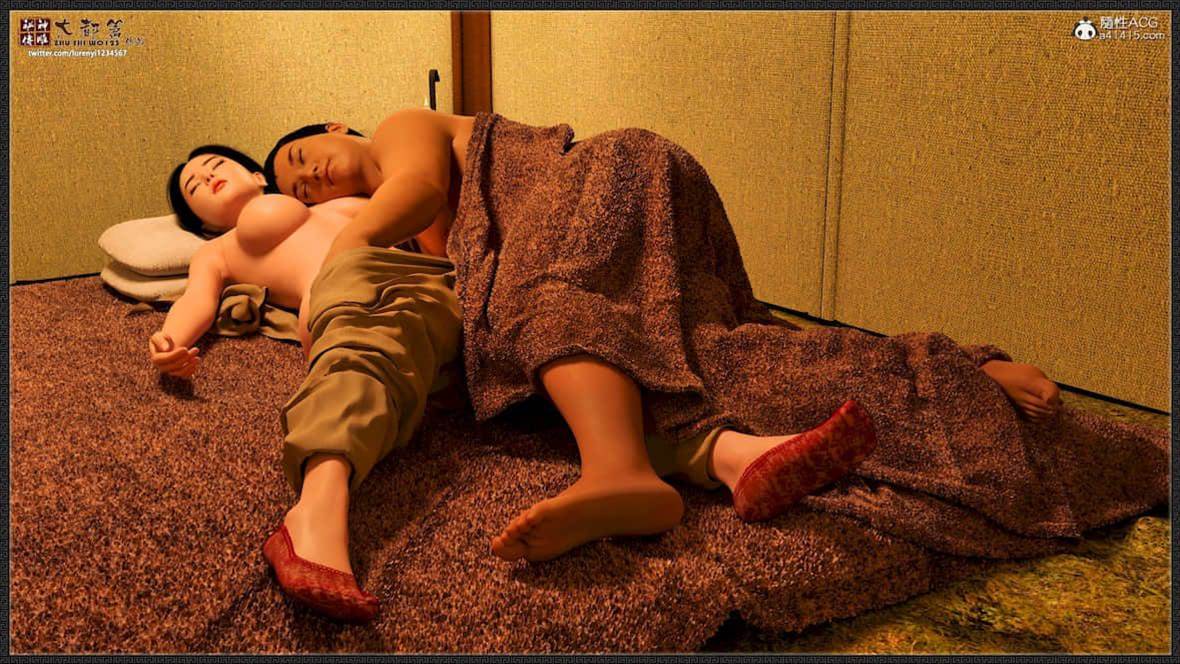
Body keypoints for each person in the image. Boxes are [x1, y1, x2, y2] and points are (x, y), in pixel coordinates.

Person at [265, 109, 1040, 566]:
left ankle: (617, 473)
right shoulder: (422, 246)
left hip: (608, 173)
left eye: (304, 157)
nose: (312, 179)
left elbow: (418, 186)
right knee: (722, 364)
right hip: (627, 217)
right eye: (299, 188)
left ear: (336, 126)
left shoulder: (400, 131)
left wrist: (341, 258)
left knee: (543, 302)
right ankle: (960, 375)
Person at [153, 145, 464, 622]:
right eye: (195, 188)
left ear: (259, 175)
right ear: (203, 223)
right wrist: (170, 340)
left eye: (216, 165)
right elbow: (197, 300)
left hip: (418, 280)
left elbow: (414, 209)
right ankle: (316, 508)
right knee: (366, 356)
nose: (208, 177)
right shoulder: (217, 250)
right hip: (339, 294)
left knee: (441, 347)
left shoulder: (335, 204)